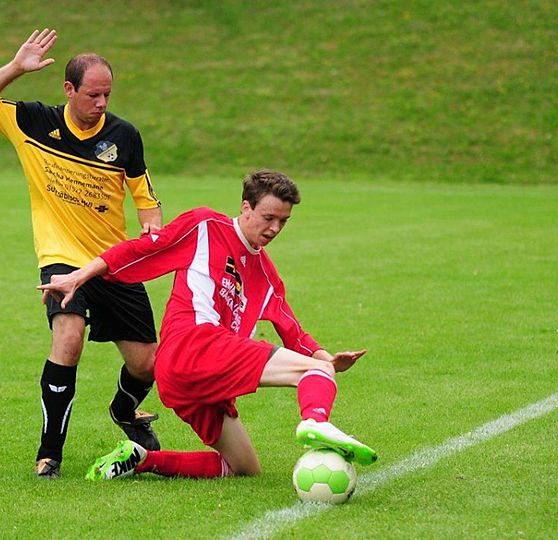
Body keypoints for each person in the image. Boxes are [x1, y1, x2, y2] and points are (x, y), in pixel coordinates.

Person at [40, 170, 378, 480]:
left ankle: (142, 459)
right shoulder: (205, 226)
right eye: (268, 217)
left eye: (283, 221)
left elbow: (292, 330)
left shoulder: (267, 276)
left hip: (198, 380)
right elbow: (140, 249)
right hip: (192, 346)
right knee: (315, 375)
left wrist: (324, 356)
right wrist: (79, 277)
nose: (274, 228)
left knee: (244, 468)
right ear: (246, 207)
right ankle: (316, 423)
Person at [0, 28, 164, 479]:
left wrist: (152, 221)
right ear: (68, 89)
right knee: (67, 341)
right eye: (93, 94)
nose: (102, 103)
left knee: (148, 364)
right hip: (62, 259)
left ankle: (125, 411)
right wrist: (15, 68)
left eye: (108, 94)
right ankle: (49, 453)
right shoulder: (33, 122)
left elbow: (146, 197)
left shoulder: (124, 136)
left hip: (115, 262)